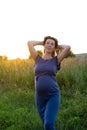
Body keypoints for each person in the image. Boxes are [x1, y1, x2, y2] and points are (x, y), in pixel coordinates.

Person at [27, 36, 70, 130]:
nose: (49, 45)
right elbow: (29, 43)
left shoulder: (56, 60)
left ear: (54, 47)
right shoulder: (37, 58)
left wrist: (57, 46)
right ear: (44, 45)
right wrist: (42, 42)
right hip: (39, 97)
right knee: (45, 125)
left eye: (52, 44)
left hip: (53, 95)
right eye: (47, 43)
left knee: (48, 124)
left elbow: (67, 47)